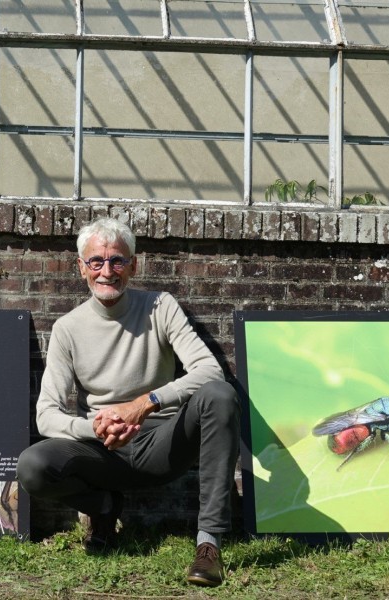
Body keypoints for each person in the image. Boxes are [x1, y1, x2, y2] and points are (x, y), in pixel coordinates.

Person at [17, 217, 240, 587]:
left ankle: (209, 545)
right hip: (102, 450)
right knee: (33, 466)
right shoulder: (67, 329)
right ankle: (103, 508)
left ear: (133, 266)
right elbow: (47, 415)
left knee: (220, 395)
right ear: (82, 268)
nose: (107, 271)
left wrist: (145, 403)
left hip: (165, 441)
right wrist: (96, 426)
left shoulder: (161, 307)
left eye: (118, 261)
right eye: (96, 262)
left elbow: (210, 371)